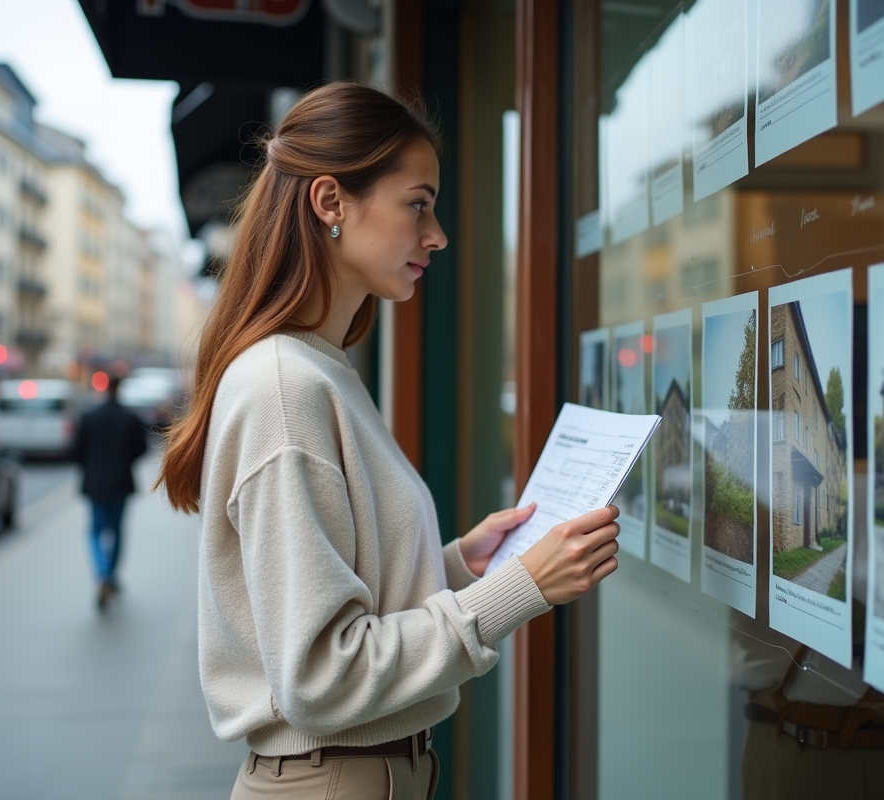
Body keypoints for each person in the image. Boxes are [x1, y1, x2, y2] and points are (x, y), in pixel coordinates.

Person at [157, 81, 622, 800]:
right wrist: (518, 589)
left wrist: (458, 568)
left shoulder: (320, 369)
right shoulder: (288, 388)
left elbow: (340, 596)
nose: (436, 235)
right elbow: (322, 676)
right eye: (418, 203)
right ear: (330, 203)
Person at [71, 375, 148, 610]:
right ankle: (111, 575)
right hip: (121, 484)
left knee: (95, 530)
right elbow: (142, 449)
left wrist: (91, 466)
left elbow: (75, 451)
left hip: (95, 485)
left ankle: (102, 574)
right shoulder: (130, 418)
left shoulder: (88, 417)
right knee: (116, 531)